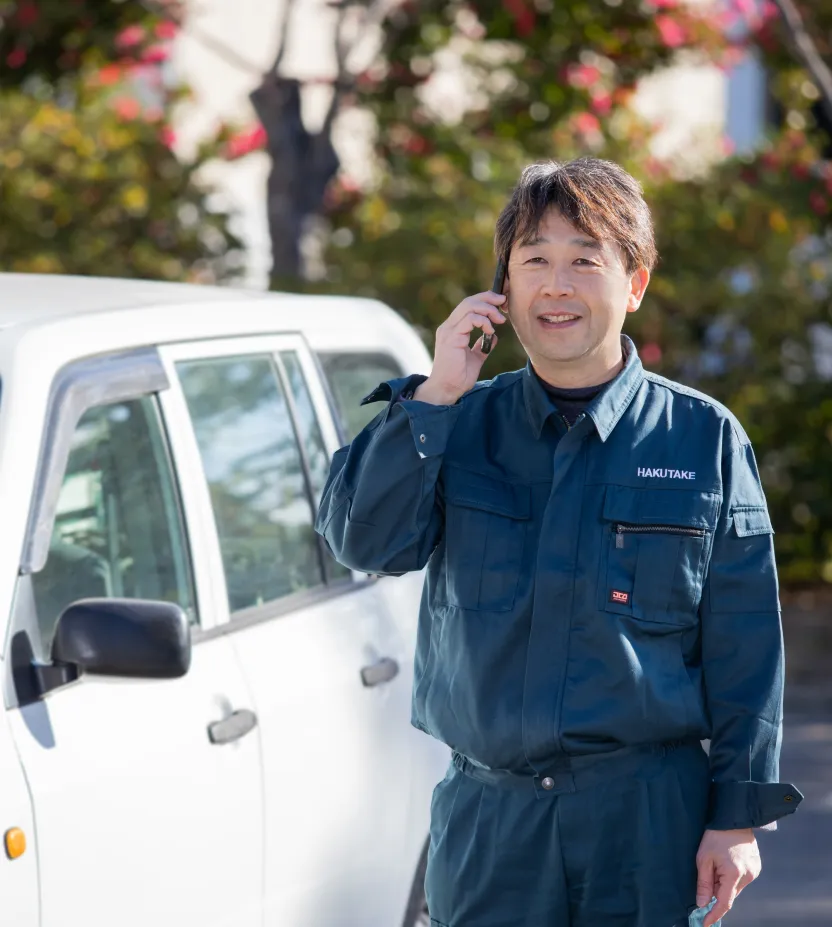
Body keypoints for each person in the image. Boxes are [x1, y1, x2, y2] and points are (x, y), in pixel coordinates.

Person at [315, 158, 803, 927]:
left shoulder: (703, 438)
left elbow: (746, 646)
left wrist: (736, 816)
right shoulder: (455, 422)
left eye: (585, 260)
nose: (557, 285)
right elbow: (363, 540)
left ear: (635, 284)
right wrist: (437, 393)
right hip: (492, 824)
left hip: (647, 824)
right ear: (503, 288)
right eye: (535, 259)